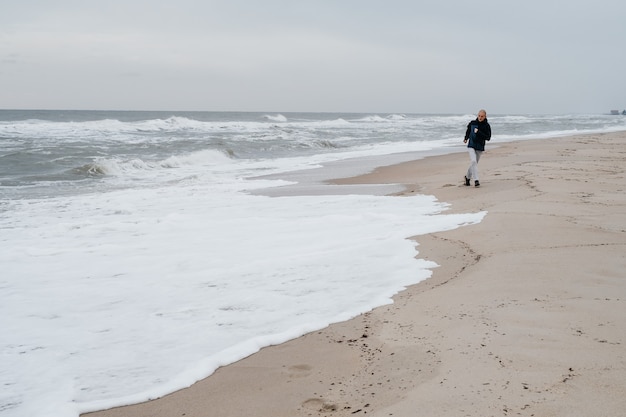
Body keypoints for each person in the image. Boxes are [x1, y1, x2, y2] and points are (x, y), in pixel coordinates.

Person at [463, 109, 491, 187]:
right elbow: (468, 131)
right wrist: (465, 138)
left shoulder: (486, 126)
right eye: (479, 116)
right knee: (473, 161)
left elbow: (488, 137)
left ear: (485, 117)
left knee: (474, 163)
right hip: (471, 145)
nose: (480, 117)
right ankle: (476, 180)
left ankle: (467, 177)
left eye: (482, 116)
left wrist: (479, 132)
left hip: (480, 147)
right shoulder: (472, 123)